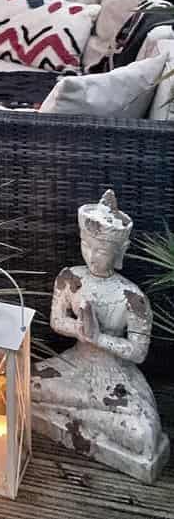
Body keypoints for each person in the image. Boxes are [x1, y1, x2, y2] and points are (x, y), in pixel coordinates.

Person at [32, 189, 169, 483]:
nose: (92, 256)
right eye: (87, 245)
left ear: (119, 251)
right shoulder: (69, 277)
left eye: (102, 250)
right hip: (74, 363)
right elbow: (57, 320)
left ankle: (85, 417)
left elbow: (139, 352)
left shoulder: (132, 297)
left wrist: (98, 338)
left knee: (143, 434)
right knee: (21, 384)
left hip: (116, 376)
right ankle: (88, 417)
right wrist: (80, 330)